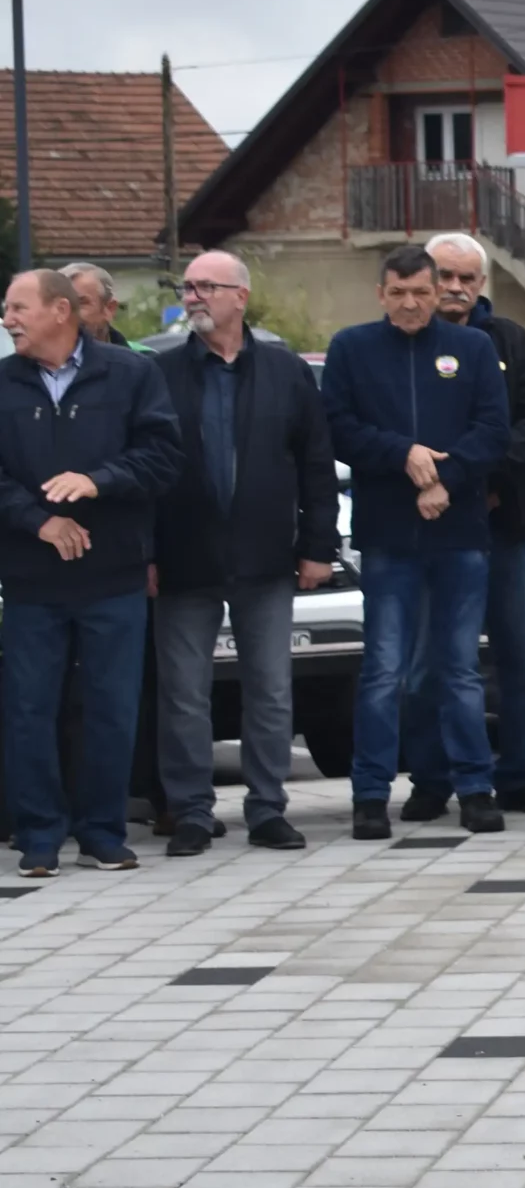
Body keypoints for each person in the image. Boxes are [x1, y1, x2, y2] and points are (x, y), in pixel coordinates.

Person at [321, 245, 512, 841]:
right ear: (381, 295)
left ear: (439, 295)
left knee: (458, 669)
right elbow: (340, 427)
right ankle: (371, 795)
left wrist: (445, 481)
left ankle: (476, 789)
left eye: (421, 293)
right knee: (384, 671)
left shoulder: (473, 348)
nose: (410, 303)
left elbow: (493, 431)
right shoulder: (351, 348)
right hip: (387, 537)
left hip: (458, 534)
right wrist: (404, 458)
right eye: (398, 293)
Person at [150, 250, 337, 857]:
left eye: (208, 286)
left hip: (265, 558)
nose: (195, 296)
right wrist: (146, 553)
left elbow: (315, 465)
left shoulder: (285, 371)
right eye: (189, 286)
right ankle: (192, 813)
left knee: (270, 688)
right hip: (184, 557)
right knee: (183, 690)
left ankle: (267, 809)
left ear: (240, 296)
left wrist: (318, 547)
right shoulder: (162, 372)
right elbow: (145, 469)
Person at [0, 269, 182, 877]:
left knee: (111, 705)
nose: (8, 319)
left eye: (18, 307)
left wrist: (97, 481)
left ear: (59, 311)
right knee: (30, 707)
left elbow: (162, 457)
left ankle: (103, 831)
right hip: (32, 577)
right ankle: (39, 836)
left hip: (112, 573)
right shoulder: (1, 383)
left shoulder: (132, 374)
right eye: (6, 309)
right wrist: (39, 522)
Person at [400, 234, 525, 822]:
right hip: (428, 526)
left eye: (468, 278)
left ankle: (516, 776)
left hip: (504, 524)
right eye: (444, 275)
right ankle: (430, 778)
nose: (455, 288)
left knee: (517, 656)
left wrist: (466, 474)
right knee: (430, 662)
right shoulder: (403, 341)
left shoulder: (510, 340)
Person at [60, 262, 131, 347]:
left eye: (80, 303)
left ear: (109, 308)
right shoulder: (41, 358)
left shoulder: (141, 358)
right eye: (60, 306)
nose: (68, 314)